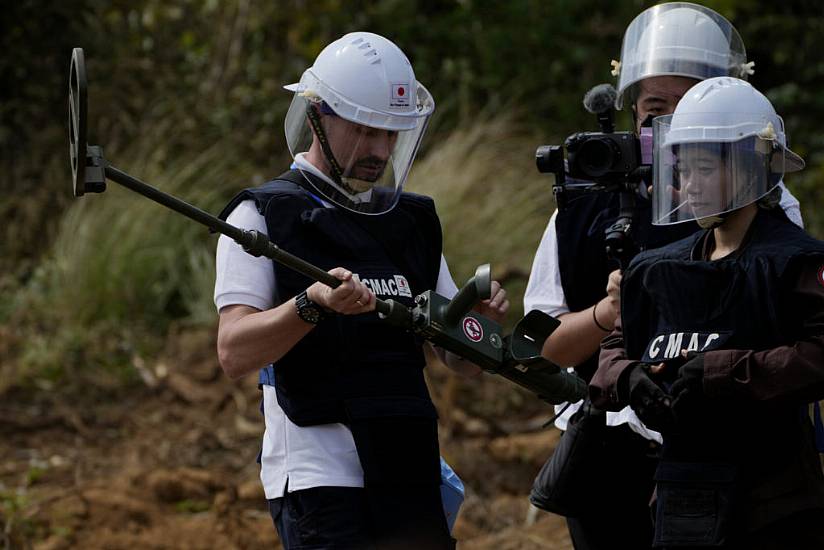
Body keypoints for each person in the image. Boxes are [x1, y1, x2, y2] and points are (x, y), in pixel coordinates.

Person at [214, 32, 509, 549]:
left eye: (392, 135)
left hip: (410, 464)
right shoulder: (260, 215)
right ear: (317, 118)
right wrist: (312, 304)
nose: (379, 151)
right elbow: (234, 351)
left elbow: (457, 359)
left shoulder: (409, 221)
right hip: (321, 477)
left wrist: (478, 323)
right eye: (365, 131)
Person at [524, 3, 803, 549]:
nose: (671, 123)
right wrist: (610, 314)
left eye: (691, 103)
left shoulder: (767, 204)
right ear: (630, 110)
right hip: (606, 453)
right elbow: (539, 348)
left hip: (730, 451)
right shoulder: (579, 211)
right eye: (655, 107)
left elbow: (787, 325)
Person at [590, 76, 824, 548]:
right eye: (681, 170)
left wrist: (725, 371)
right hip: (682, 499)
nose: (687, 185)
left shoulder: (794, 261)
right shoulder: (658, 268)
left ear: (748, 168)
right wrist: (628, 376)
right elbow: (616, 346)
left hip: (774, 502)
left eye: (702, 169)